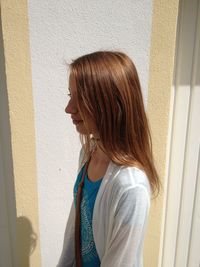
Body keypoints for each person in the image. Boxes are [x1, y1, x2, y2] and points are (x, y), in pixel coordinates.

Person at [57, 51, 161, 267]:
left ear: (112, 104)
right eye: (70, 96)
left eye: (81, 98)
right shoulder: (88, 154)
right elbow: (74, 230)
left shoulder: (130, 187)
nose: (69, 108)